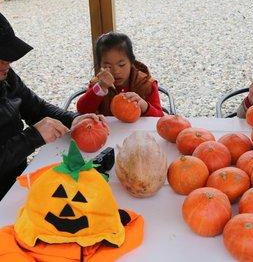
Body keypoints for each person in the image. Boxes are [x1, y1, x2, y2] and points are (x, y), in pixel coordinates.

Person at [0, 12, 106, 200]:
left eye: (7, 55)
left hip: (18, 179)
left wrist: (73, 119)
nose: (7, 63)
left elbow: (36, 107)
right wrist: (32, 137)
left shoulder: (6, 76)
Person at [77, 32, 164, 117]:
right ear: (100, 66)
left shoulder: (146, 84)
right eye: (108, 66)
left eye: (121, 65)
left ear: (131, 62)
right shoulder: (97, 85)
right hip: (106, 130)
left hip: (140, 131)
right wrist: (101, 88)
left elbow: (160, 117)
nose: (116, 71)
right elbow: (82, 111)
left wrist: (145, 107)